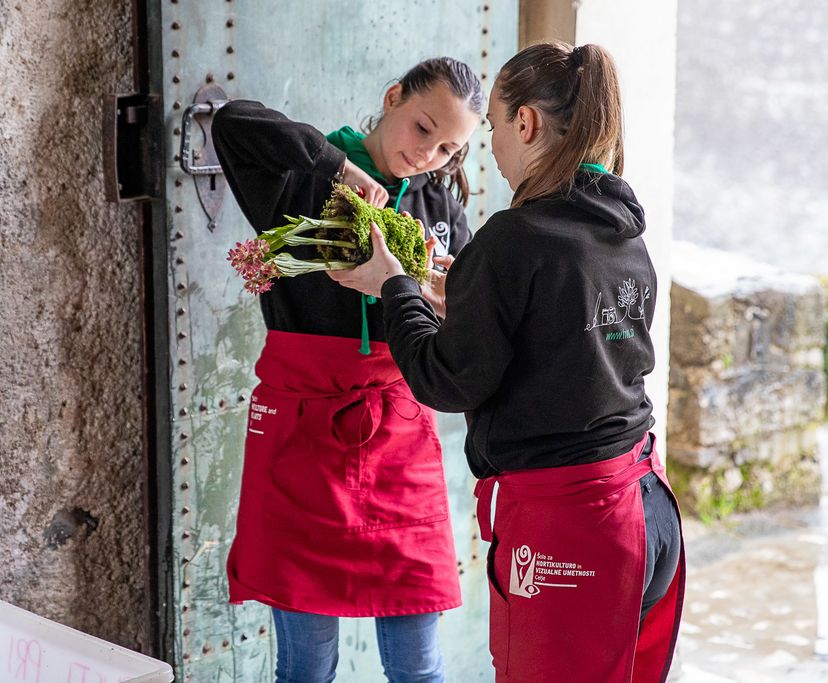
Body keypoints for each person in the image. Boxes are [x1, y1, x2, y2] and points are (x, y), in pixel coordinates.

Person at [330, 42, 685, 682]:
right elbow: (565, 343)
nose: (491, 148)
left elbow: (446, 377)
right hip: (645, 509)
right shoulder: (621, 233)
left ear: (526, 124)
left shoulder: (515, 237)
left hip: (571, 526)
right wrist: (461, 298)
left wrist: (394, 287)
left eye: (492, 127)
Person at [211, 57, 484, 683]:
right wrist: (341, 170)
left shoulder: (439, 205)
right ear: (393, 99)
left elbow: (464, 313)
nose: (430, 155)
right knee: (307, 670)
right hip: (301, 435)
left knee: (420, 667)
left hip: (398, 433)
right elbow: (233, 122)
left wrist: (439, 300)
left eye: (449, 147)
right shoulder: (301, 179)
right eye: (422, 129)